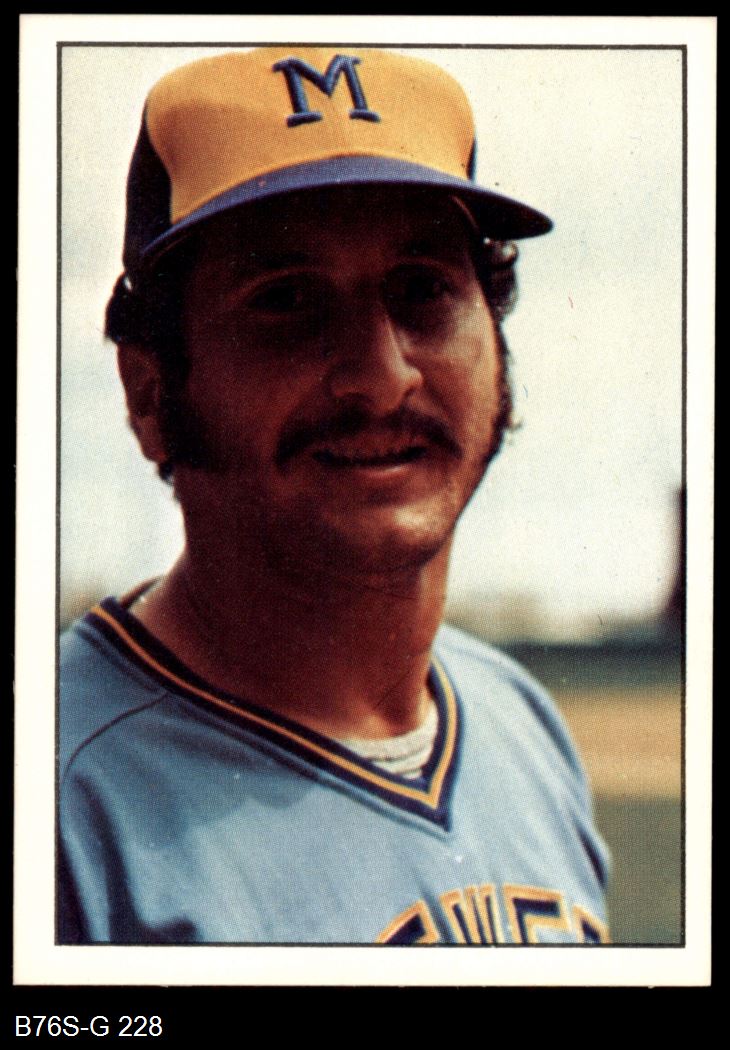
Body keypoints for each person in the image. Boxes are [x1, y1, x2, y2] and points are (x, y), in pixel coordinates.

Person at [58, 46, 610, 945]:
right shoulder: (56, 803)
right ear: (151, 392)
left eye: (423, 289)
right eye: (287, 300)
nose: (382, 377)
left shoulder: (521, 723)